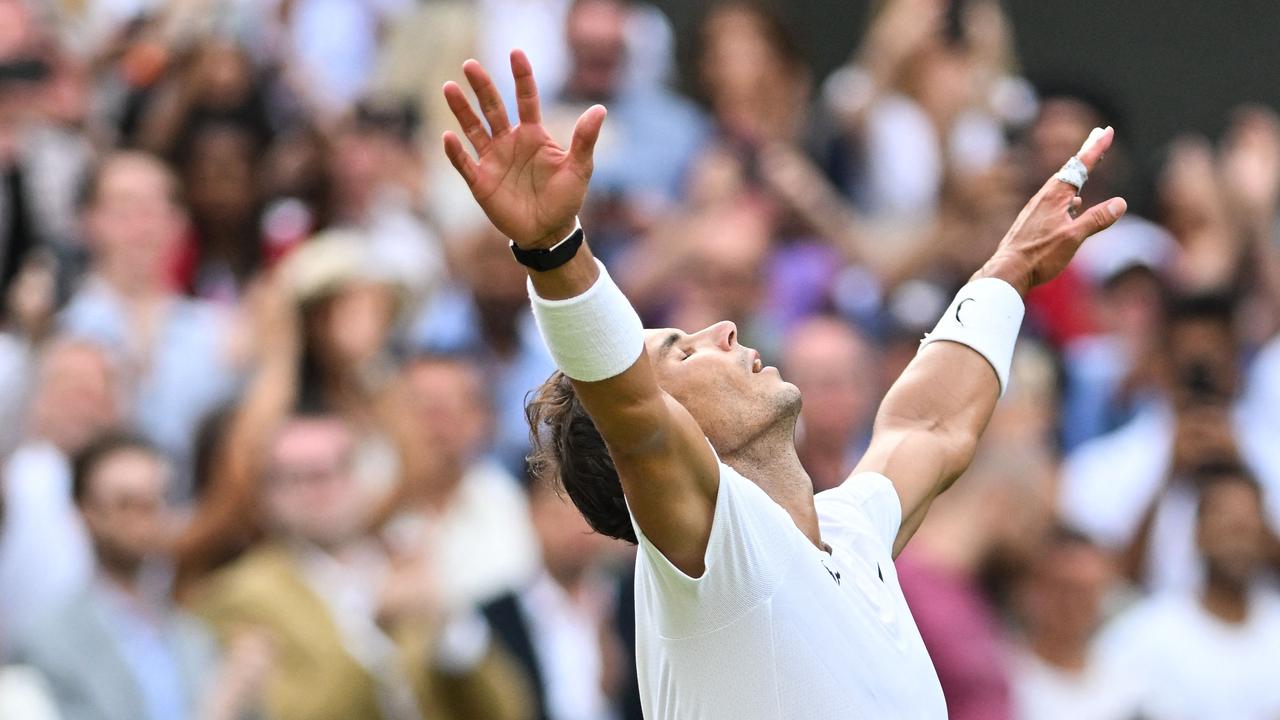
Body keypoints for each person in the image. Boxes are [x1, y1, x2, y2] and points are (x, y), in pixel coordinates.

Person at [440, 51, 1128, 717]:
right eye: (682, 352)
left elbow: (928, 426)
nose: (724, 331)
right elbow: (625, 401)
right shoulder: (712, 548)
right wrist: (556, 252)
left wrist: (1010, 268)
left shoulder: (846, 534)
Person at [195, 412, 531, 720]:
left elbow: (507, 709)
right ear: (268, 494)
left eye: (337, 468)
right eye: (300, 477)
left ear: (363, 477)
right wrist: (371, 626)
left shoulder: (405, 564)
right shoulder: (241, 593)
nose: (323, 489)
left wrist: (447, 622)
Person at [18, 433, 223, 720]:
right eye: (126, 504)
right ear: (86, 514)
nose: (147, 519)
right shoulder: (51, 642)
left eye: (157, 500)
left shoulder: (193, 632)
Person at [1096, 467, 1280, 720]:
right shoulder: (1142, 634)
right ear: (1197, 532)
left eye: (1247, 528)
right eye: (1227, 527)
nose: (1238, 542)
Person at [482, 476, 639, 720]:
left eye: (583, 513)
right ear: (532, 512)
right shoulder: (497, 617)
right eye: (558, 514)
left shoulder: (633, 603)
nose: (573, 529)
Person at [0, 338, 116, 654]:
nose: (88, 406)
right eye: (73, 391)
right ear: (36, 397)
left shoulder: (129, 483)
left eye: (99, 394)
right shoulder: (17, 480)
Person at [1009, 526, 1140, 720]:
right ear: (1032, 588)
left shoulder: (1128, 684)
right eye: (1063, 589)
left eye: (1086, 593)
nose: (1072, 605)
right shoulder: (1002, 673)